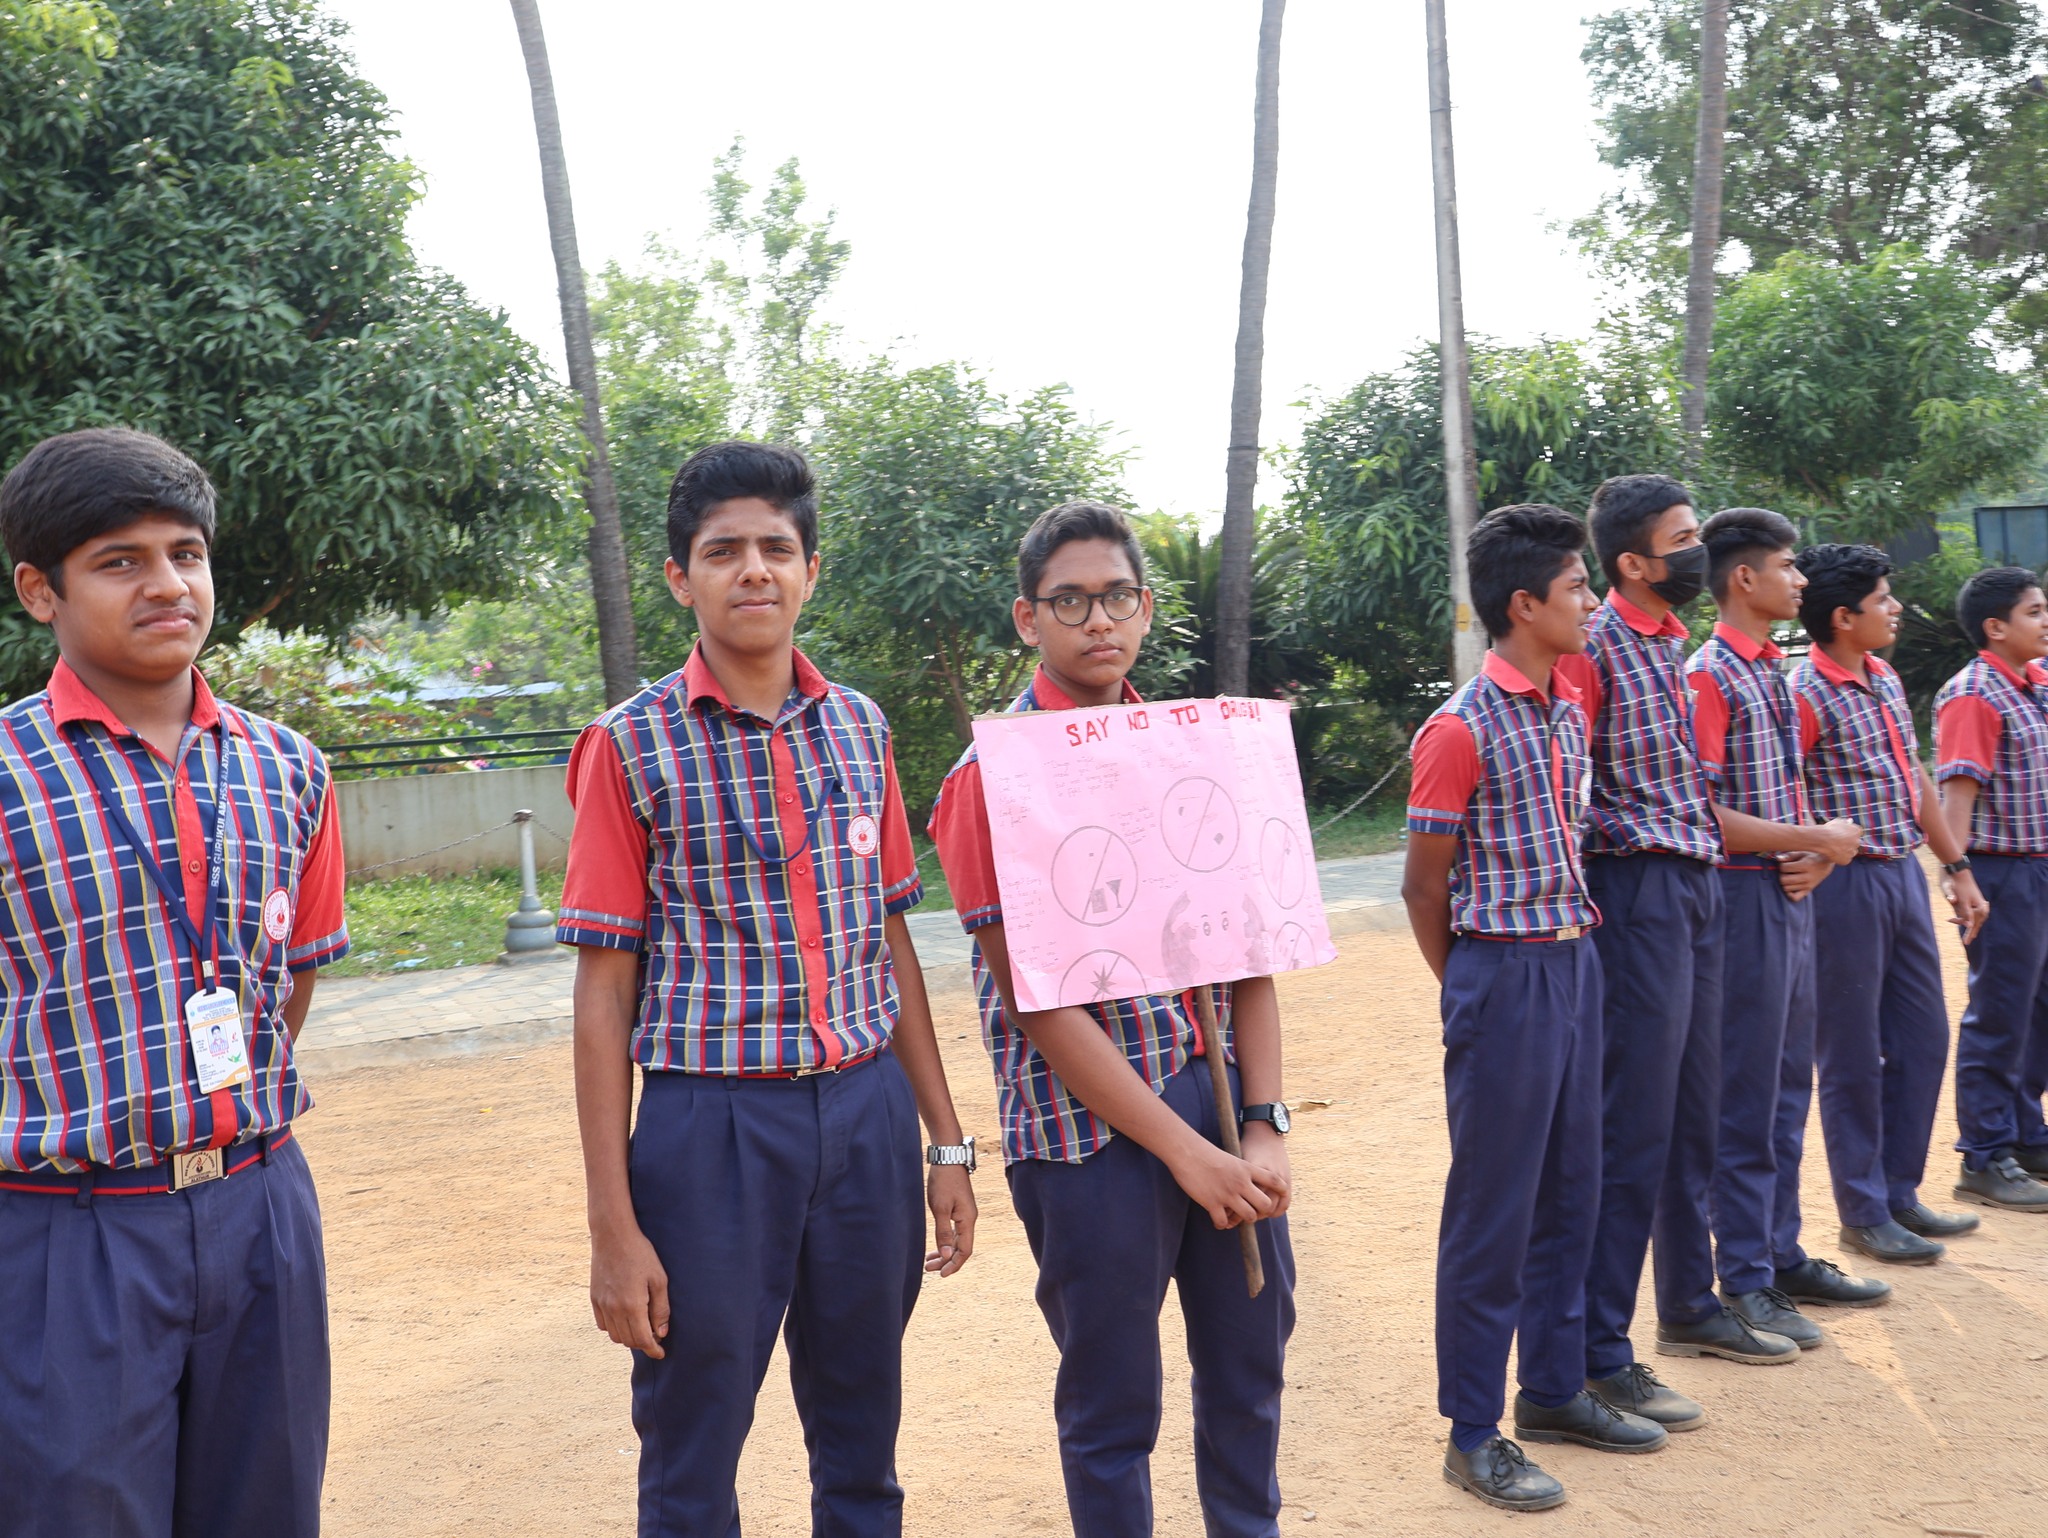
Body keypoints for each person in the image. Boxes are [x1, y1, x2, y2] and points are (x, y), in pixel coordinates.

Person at [556, 440, 978, 1537]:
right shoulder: (627, 745)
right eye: (722, 550)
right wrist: (613, 1223)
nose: (753, 569)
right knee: (693, 1440)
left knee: (861, 1434)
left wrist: (941, 1138)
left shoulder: (860, 728)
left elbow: (888, 939)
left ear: (810, 569)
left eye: (775, 547)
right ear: (677, 577)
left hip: (864, 1113)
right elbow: (602, 996)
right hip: (710, 1128)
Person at [0, 427, 350, 1538]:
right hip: (66, 1231)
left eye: (185, 552)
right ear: (37, 590)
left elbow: (284, 987)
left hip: (261, 1207)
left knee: (269, 1507)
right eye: (120, 560)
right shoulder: (8, 776)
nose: (166, 584)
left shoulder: (288, 766)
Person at [927, 500, 1294, 1538]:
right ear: (1025, 617)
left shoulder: (1195, 751)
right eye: (1070, 600)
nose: (1099, 619)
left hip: (1215, 1105)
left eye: (1118, 596)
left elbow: (1249, 956)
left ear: (1146, 607)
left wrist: (1258, 1123)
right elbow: (1040, 1006)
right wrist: (1188, 1154)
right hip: (1084, 1139)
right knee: (1110, 1404)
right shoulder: (987, 782)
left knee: (1248, 1358)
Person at [1404, 503, 1666, 1515]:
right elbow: (1423, 890)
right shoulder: (1457, 729)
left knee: (1573, 1187)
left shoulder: (1566, 705)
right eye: (1575, 588)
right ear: (1523, 604)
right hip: (1502, 975)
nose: (1593, 603)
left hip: (1575, 962)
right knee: (1492, 1209)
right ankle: (1473, 1431)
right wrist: (1473, 987)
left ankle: (1552, 1388)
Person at [1554, 475, 1798, 1412]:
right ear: (1634, 562)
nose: (1700, 551)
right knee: (1635, 1124)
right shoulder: (1599, 645)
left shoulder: (1668, 648)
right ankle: (1598, 1350)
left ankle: (1688, 1303)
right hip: (1639, 888)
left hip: (1696, 887)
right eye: (1686, 538)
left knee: (1693, 1112)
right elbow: (1572, 782)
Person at [1686, 509, 1892, 1348]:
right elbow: (1701, 811)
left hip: (1787, 896)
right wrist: (1812, 841)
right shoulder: (1708, 674)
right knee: (1745, 1094)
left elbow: (1785, 788)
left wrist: (1817, 851)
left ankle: (1777, 1251)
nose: (1800, 581)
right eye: (1786, 566)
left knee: (1785, 1087)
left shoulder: (1773, 667)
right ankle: (1742, 1277)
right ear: (1745, 579)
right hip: (1736, 901)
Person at [1789, 544, 1987, 1266]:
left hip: (1901, 874)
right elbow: (1780, 788)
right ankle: (1862, 1211)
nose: (1896, 607)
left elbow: (1916, 781)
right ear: (1844, 617)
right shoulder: (1804, 693)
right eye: (1883, 598)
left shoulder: (1883, 678)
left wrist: (1956, 866)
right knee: (1849, 1053)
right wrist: (1807, 850)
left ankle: (1899, 1193)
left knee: (1923, 1036)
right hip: (1843, 890)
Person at [1933, 566, 2048, 1211]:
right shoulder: (1975, 695)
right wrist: (1958, 874)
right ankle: (1984, 1155)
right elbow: (1956, 796)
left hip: (2041, 867)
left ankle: (2026, 1134)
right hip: (2002, 871)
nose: (2047, 620)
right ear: (1995, 627)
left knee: (2039, 1012)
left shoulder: (2036, 684)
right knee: (1999, 1014)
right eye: (2035, 612)